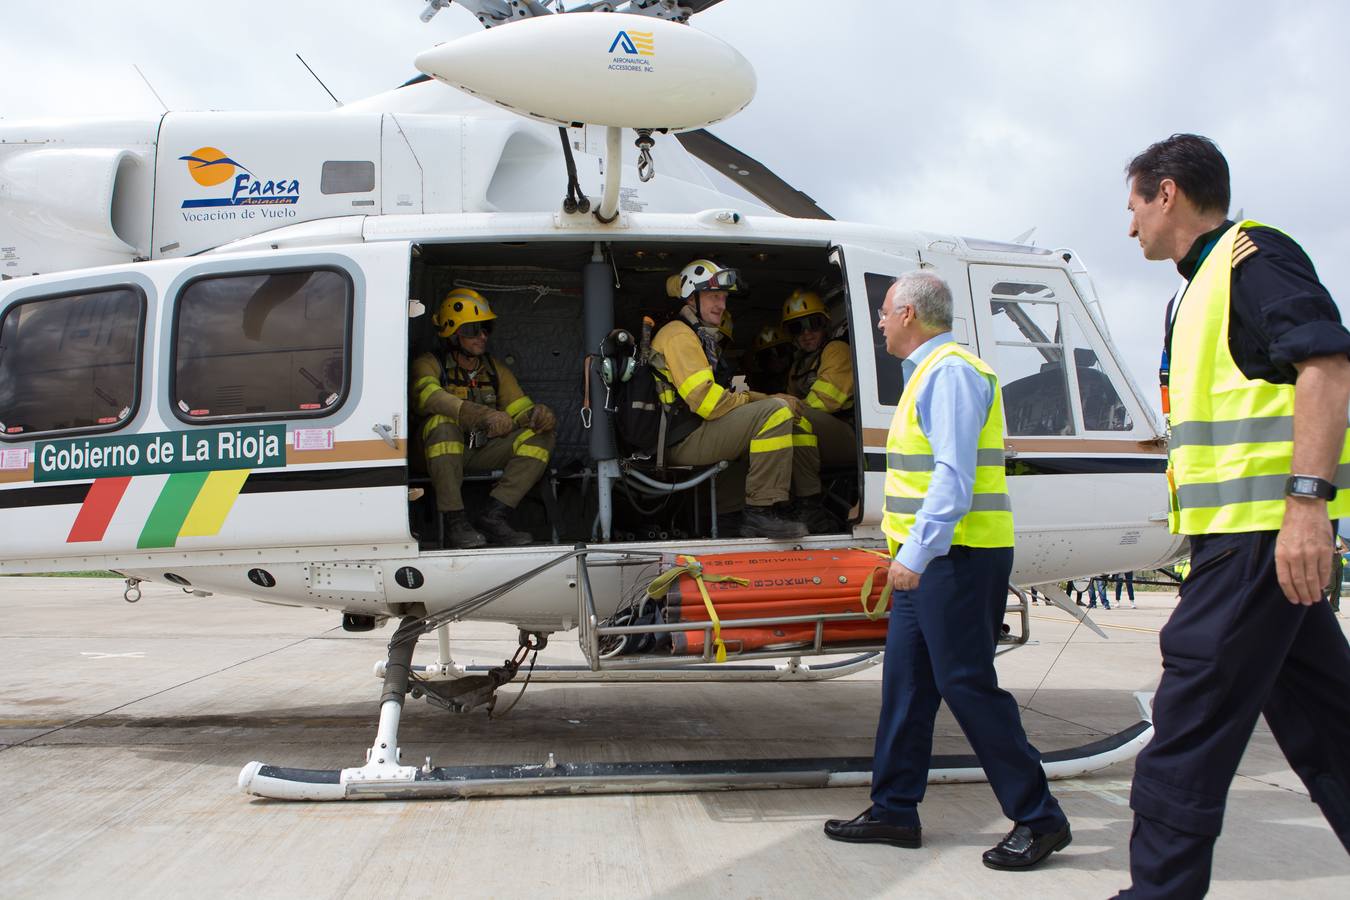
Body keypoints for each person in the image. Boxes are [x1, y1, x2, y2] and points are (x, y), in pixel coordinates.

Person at [1113, 134, 1350, 898]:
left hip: (1258, 541)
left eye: (1134, 206)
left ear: (1169, 193)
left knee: (1185, 733)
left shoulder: (1252, 258)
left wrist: (1306, 509)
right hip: (1245, 542)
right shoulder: (1197, 288)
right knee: (1327, 729)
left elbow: (1328, 364)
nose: (1130, 227)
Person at [824, 271, 1071, 870]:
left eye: (884, 312)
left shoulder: (953, 373)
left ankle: (1039, 819)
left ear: (909, 313)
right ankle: (894, 809)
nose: (878, 321)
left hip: (956, 558)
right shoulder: (928, 375)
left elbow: (953, 479)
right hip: (930, 560)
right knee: (906, 685)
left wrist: (916, 552)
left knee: (966, 685)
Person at [649, 259, 815, 539]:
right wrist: (767, 402)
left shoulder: (694, 334)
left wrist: (763, 397)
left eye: (724, 298)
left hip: (687, 431)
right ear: (692, 297)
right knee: (775, 414)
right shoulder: (679, 335)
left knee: (769, 415)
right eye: (714, 296)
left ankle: (729, 517)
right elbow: (708, 403)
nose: (722, 305)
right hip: (682, 438)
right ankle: (761, 512)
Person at [411, 288, 556, 548]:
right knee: (441, 425)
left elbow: (518, 407)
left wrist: (537, 414)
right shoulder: (429, 363)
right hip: (435, 455)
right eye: (473, 329)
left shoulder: (493, 369)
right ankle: (455, 521)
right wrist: (479, 414)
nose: (482, 336)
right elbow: (427, 397)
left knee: (539, 438)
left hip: (478, 450)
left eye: (486, 328)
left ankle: (494, 515)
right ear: (452, 333)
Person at [781, 288, 858, 531]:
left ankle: (809, 506)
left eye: (812, 324)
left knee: (793, 419)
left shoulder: (836, 350)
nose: (806, 333)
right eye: (797, 328)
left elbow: (826, 401)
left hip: (847, 434)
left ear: (825, 324)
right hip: (820, 431)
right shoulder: (799, 364)